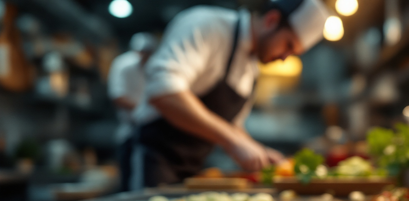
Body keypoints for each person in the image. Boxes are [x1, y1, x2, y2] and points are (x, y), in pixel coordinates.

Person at [130, 0, 330, 189]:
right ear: (271, 20)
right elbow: (163, 91)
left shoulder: (251, 67)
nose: (285, 58)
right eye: (288, 45)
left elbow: (231, 125)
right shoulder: (207, 25)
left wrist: (259, 152)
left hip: (192, 169)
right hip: (152, 160)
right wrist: (233, 142)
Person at [107, 32, 157, 191]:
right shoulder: (123, 64)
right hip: (130, 130)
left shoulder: (154, 66)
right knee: (128, 178)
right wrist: (144, 110)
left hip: (153, 131)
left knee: (151, 178)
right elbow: (118, 97)